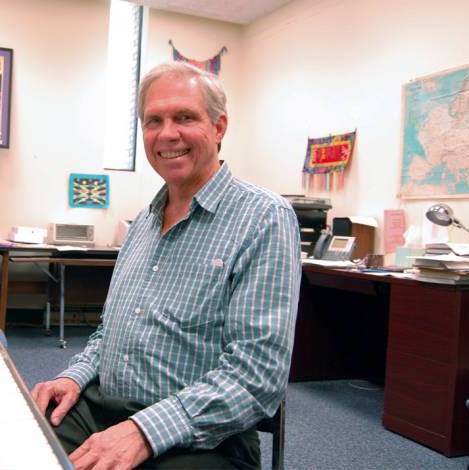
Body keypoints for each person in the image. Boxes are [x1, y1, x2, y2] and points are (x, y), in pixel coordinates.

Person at [32, 61, 301, 469]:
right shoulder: (142, 221)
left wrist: (143, 431)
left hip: (202, 436)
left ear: (219, 127)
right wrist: (74, 375)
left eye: (185, 117)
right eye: (153, 120)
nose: (167, 133)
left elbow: (256, 376)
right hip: (102, 406)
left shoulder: (263, 218)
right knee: (17, 448)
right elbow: (109, 332)